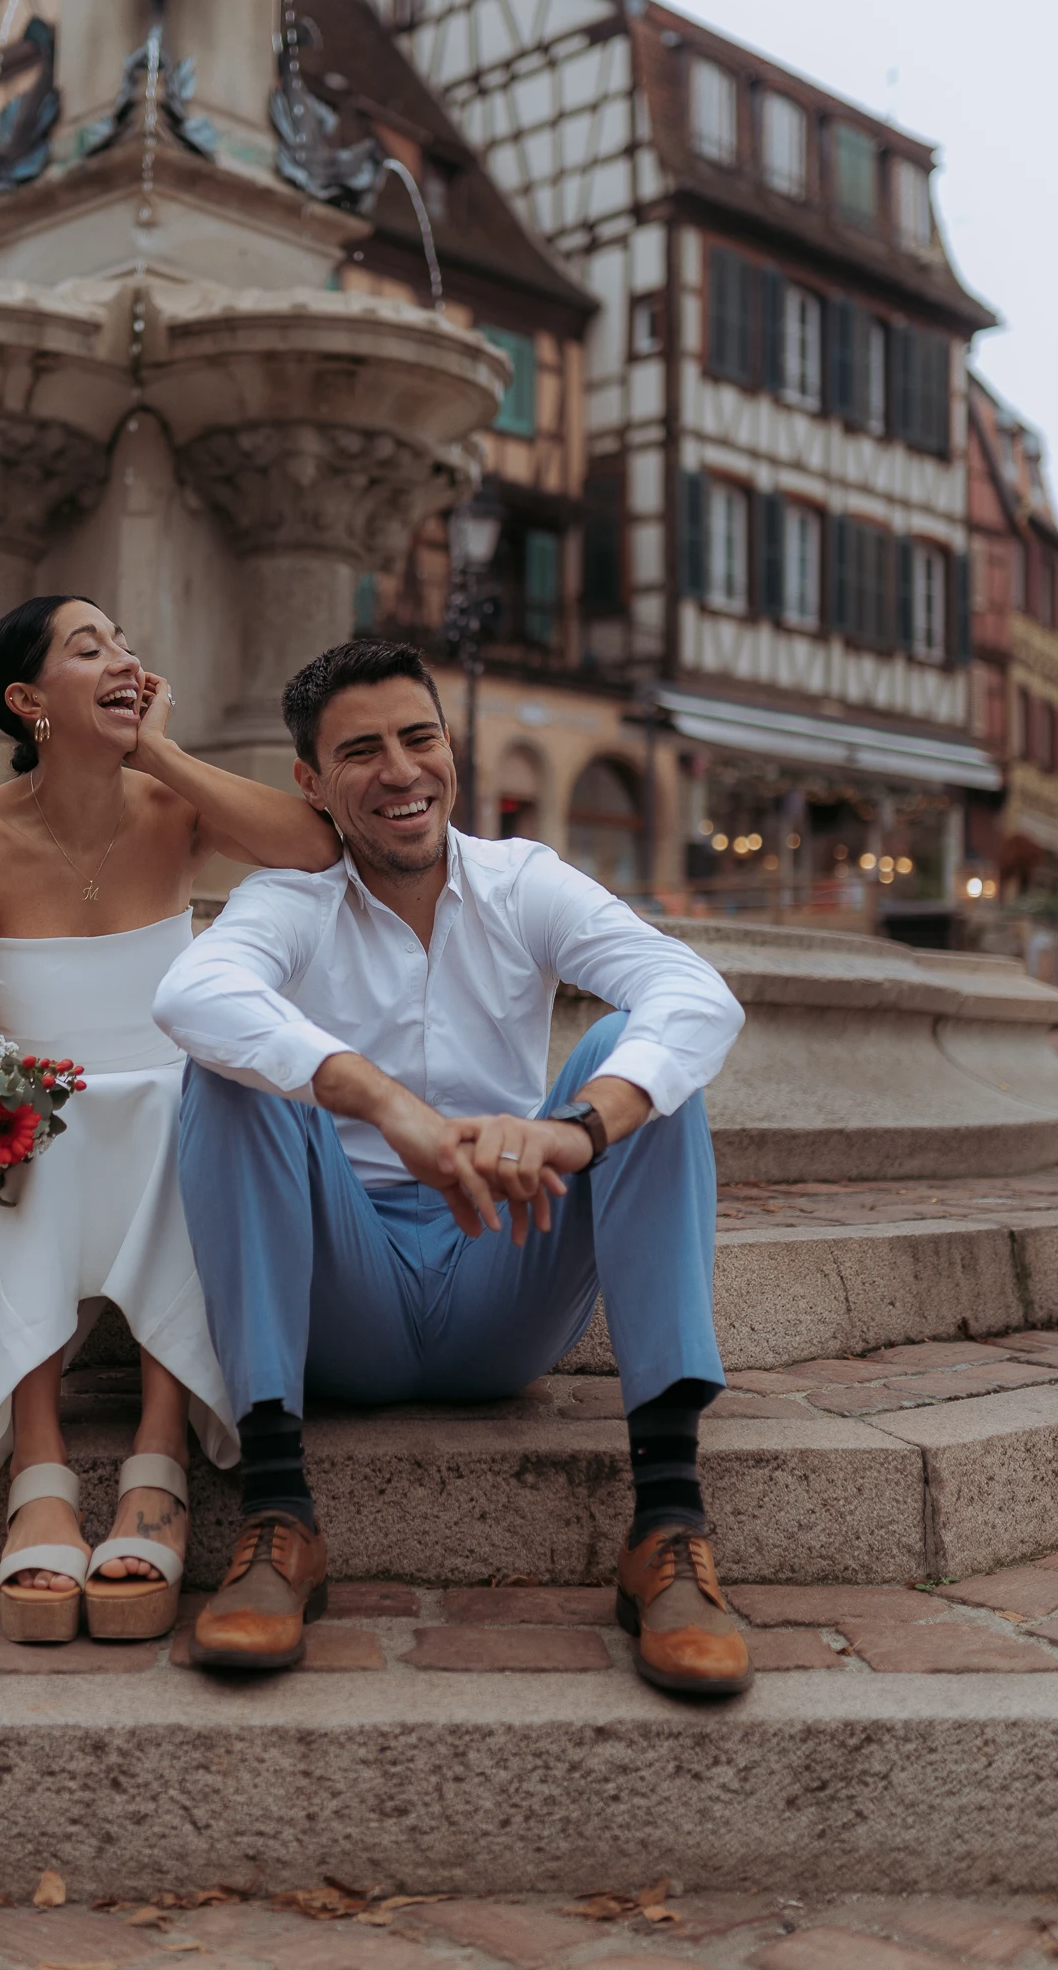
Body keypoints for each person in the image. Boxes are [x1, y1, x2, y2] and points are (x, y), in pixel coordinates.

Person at [153, 638, 751, 1696]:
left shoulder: (525, 882)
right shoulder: (292, 899)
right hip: (344, 1287)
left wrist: (577, 1129)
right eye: (361, 751)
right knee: (231, 1066)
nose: (400, 771)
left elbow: (693, 991)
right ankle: (277, 1521)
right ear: (311, 783)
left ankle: (666, 1527)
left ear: (452, 752)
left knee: (642, 1061)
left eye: (419, 738)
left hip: (504, 1270)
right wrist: (389, 1106)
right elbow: (193, 994)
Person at [0, 595, 338, 1644]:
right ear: (26, 700)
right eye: (87, 648)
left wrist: (162, 751)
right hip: (24, 1126)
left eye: (127, 647)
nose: (122, 660)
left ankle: (161, 1442)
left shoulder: (173, 810)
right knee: (37, 1117)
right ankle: (41, 1453)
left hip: (165, 1116)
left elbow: (316, 846)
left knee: (185, 1099)